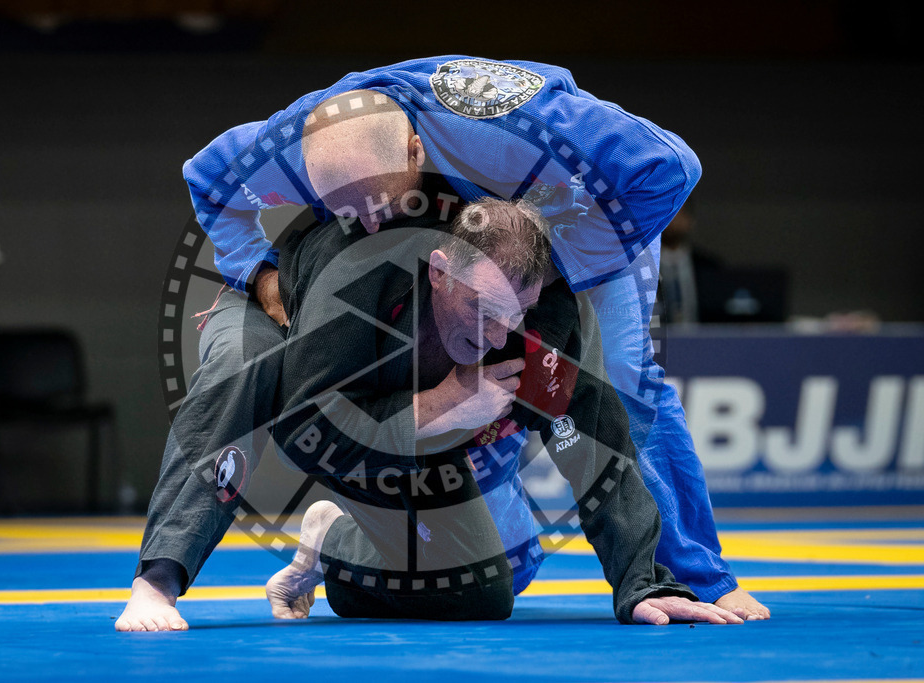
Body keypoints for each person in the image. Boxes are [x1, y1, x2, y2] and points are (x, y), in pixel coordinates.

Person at [115, 56, 767, 632]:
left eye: (378, 200)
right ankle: (160, 576)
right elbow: (308, 419)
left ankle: (684, 574)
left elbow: (588, 424)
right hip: (334, 331)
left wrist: (640, 582)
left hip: (549, 240)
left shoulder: (530, 153)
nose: (367, 218)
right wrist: (257, 275)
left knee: (598, 399)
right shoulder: (323, 200)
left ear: (418, 153)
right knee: (242, 361)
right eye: (346, 206)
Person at [264, 197, 740, 625]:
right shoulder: (365, 287)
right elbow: (302, 434)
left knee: (496, 582)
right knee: (490, 583)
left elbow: (596, 448)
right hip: (373, 423)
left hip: (461, 439)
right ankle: (358, 533)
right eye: (482, 308)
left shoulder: (540, 331)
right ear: (439, 271)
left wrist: (641, 581)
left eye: (515, 313)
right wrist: (439, 406)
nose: (496, 335)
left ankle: (335, 544)